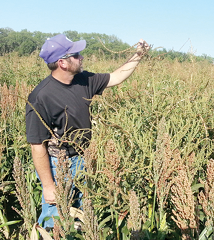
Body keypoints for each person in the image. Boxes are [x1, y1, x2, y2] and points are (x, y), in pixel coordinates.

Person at [25, 34, 150, 229]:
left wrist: (138, 55)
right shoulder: (41, 96)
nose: (82, 57)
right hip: (58, 165)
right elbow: (36, 145)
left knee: (81, 220)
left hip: (82, 160)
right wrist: (49, 186)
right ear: (62, 63)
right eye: (76, 55)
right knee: (55, 224)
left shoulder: (82, 80)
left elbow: (116, 77)